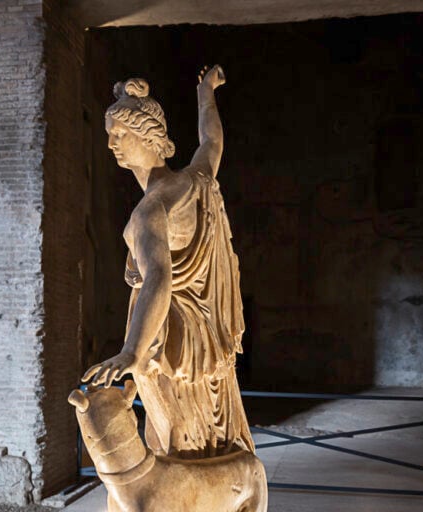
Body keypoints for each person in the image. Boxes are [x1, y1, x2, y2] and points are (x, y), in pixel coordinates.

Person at [81, 65, 254, 459]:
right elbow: (212, 140)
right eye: (109, 134)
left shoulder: (150, 211)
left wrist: (132, 351)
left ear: (149, 137)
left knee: (174, 445)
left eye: (120, 134)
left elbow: (159, 278)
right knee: (210, 438)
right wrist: (206, 92)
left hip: (167, 347)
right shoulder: (195, 180)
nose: (111, 144)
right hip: (207, 341)